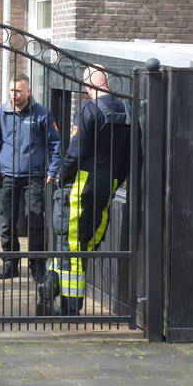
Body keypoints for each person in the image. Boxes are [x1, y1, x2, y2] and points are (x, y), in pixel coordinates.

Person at [44, 66, 130, 316]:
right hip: (109, 184)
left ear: (88, 85)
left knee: (70, 242)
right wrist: (116, 181)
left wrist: (62, 176)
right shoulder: (127, 110)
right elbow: (129, 155)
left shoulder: (88, 109)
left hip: (82, 183)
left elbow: (76, 151)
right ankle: (53, 279)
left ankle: (69, 306)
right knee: (87, 241)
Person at [0, 74, 61, 284]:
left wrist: (53, 170)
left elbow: (54, 144)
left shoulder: (42, 113)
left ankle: (37, 265)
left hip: (34, 175)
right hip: (7, 175)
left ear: (28, 92)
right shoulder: (0, 113)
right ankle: (10, 263)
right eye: (11, 90)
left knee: (35, 221)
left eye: (18, 91)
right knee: (7, 222)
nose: (14, 94)